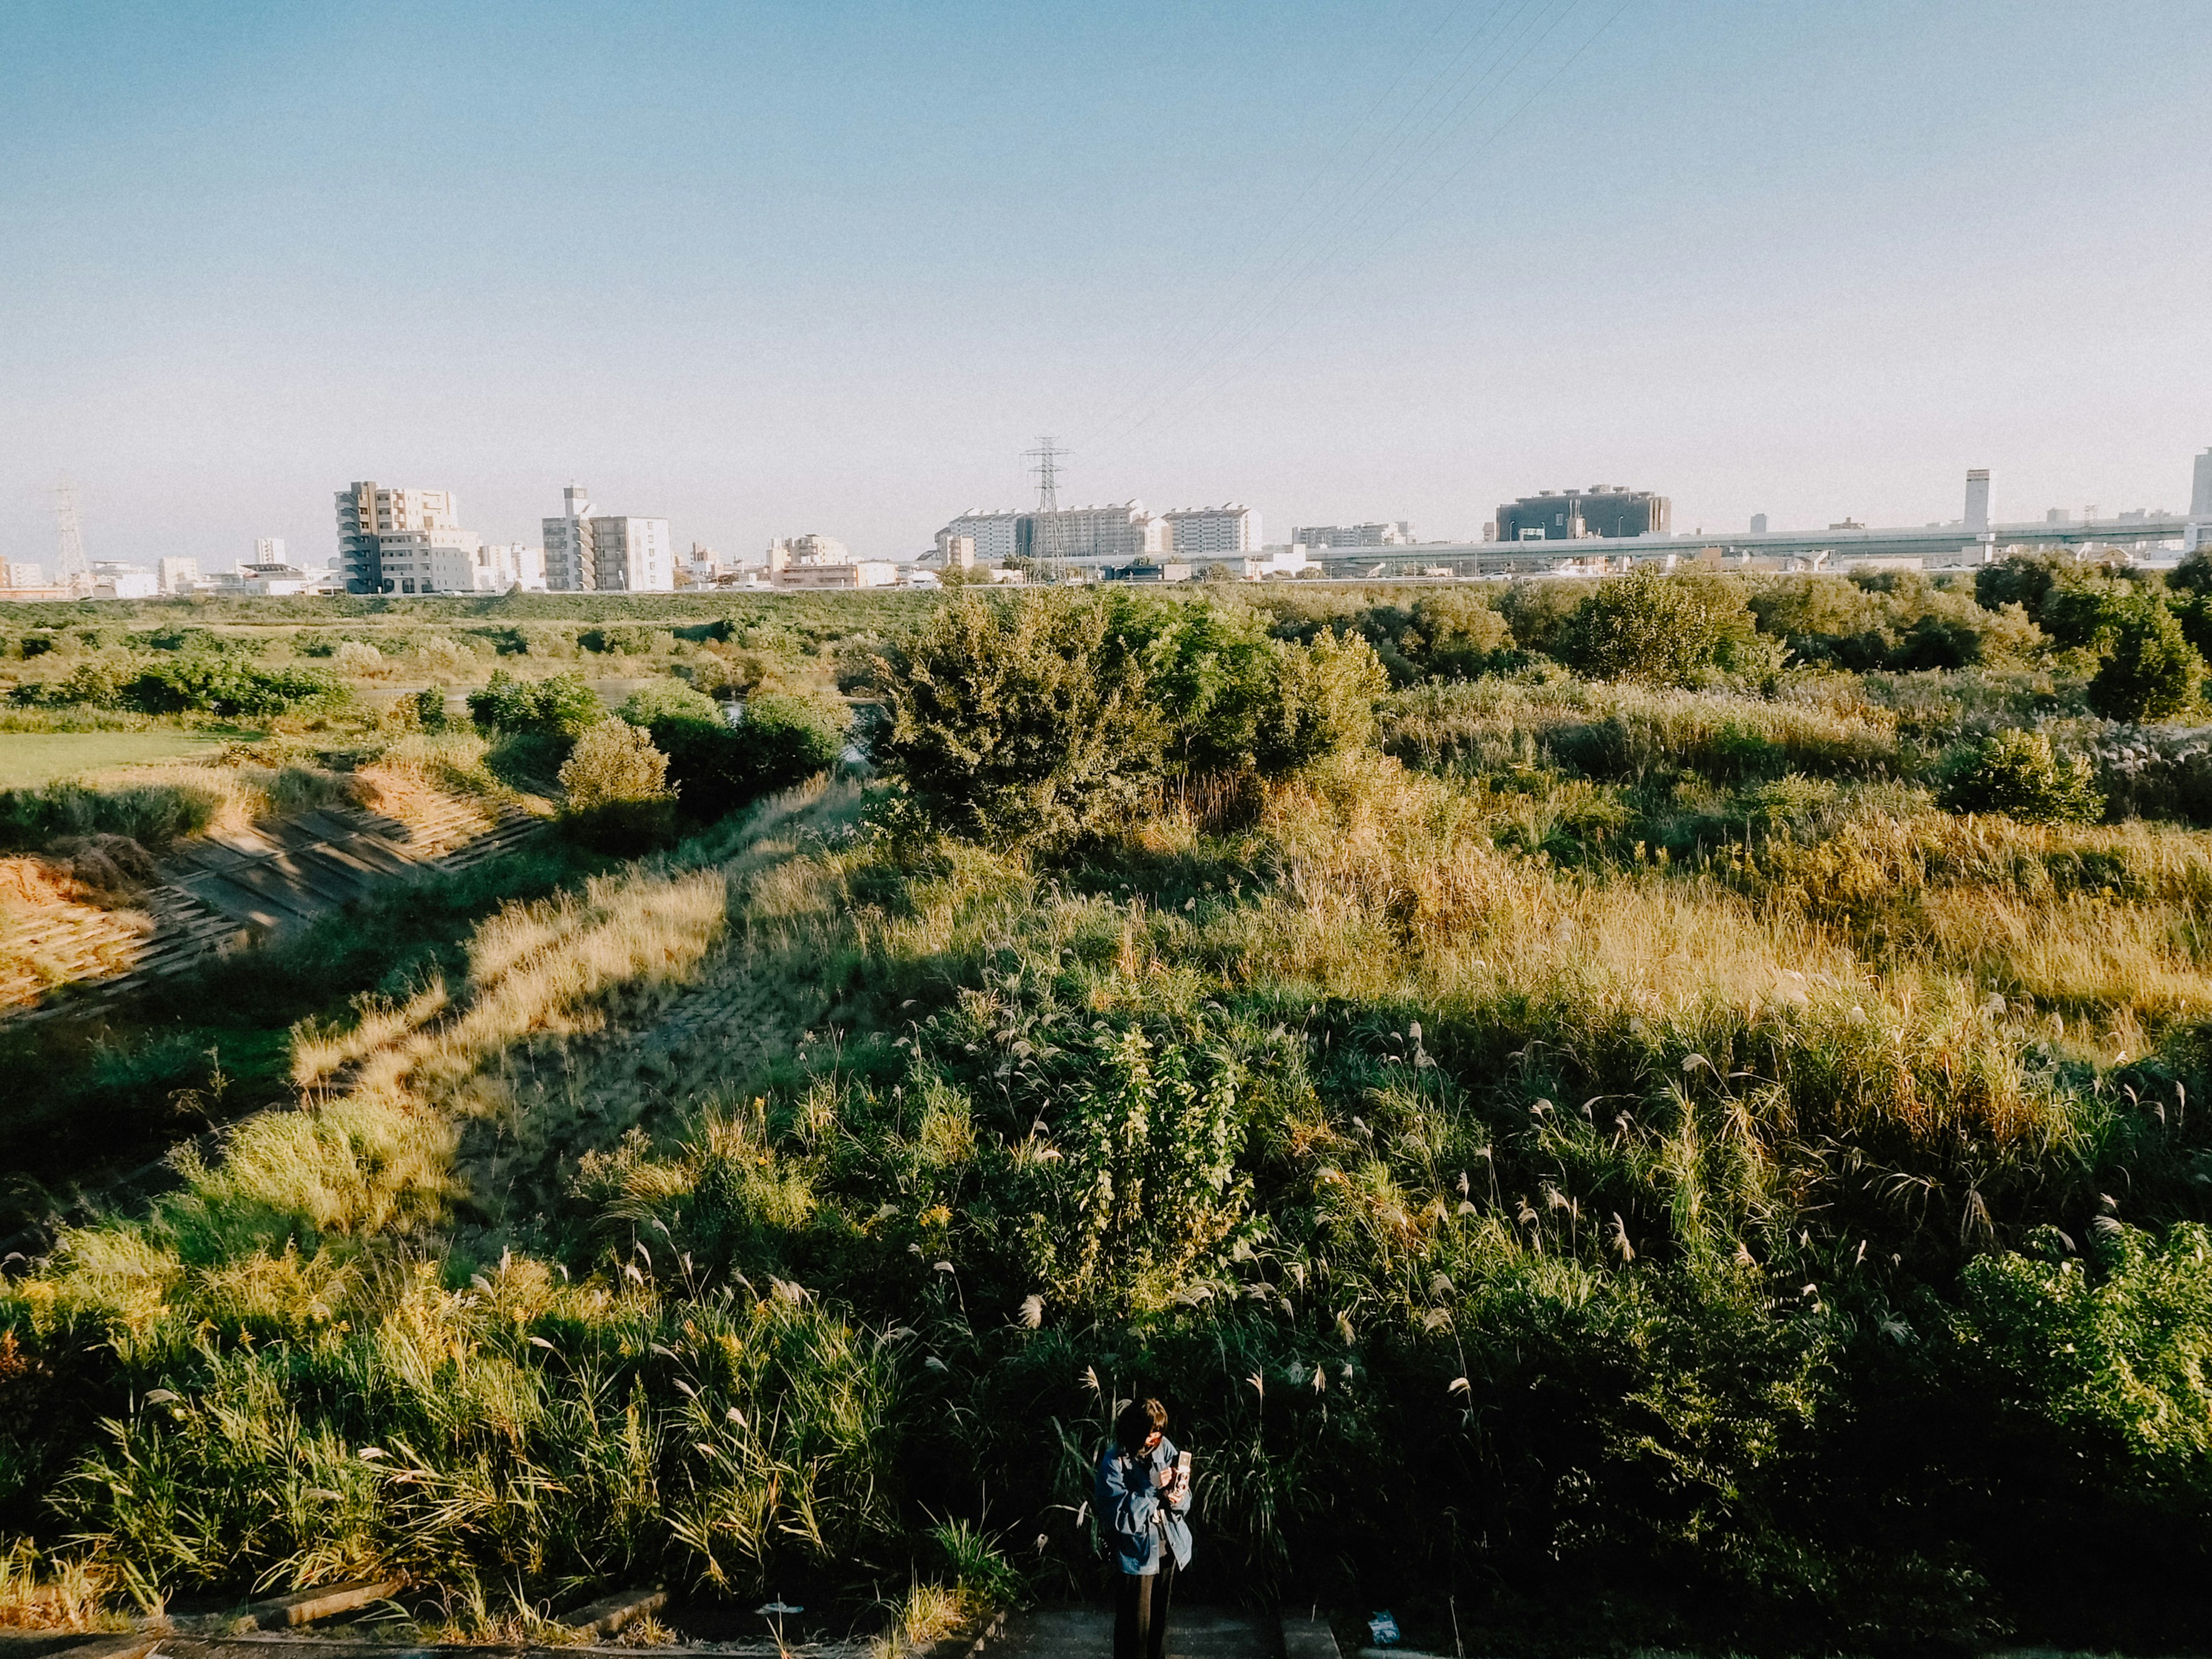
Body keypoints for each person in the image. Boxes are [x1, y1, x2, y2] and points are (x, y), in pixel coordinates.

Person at [1096, 1397, 1192, 1659]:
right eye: (1151, 1434)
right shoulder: (1113, 1463)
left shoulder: (1165, 1447)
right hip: (1136, 1555)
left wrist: (1178, 1496)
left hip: (1168, 1547)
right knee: (1134, 1631)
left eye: (1159, 1434)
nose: (1155, 1440)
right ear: (1135, 1431)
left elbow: (1186, 1499)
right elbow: (1118, 1519)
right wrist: (1151, 1489)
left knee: (1158, 1628)